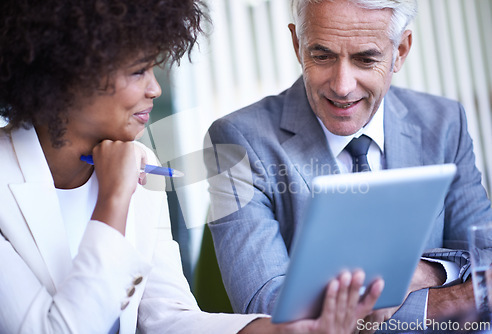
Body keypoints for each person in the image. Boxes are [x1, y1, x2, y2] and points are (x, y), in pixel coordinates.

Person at [0, 0, 385, 333]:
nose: (155, 89)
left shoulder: (140, 161)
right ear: (67, 75)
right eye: (138, 71)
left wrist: (288, 330)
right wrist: (113, 200)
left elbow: (169, 318)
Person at [204, 0, 492, 329]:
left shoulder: (443, 123)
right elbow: (272, 309)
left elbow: (486, 253)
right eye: (322, 55)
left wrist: (428, 270)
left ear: (400, 50)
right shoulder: (235, 142)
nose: (342, 86)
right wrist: (451, 298)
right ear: (298, 45)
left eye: (365, 59)